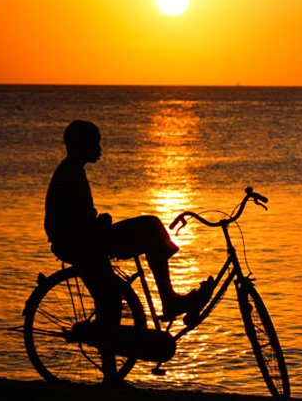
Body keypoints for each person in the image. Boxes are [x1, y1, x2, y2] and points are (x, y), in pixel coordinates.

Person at [44, 120, 213, 385]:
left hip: (86, 239)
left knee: (149, 231)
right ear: (80, 144)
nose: (100, 148)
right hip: (83, 244)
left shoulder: (72, 170)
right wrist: (100, 222)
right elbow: (74, 223)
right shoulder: (70, 173)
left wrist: (98, 221)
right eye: (95, 143)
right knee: (111, 296)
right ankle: (166, 303)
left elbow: (79, 218)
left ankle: (166, 301)